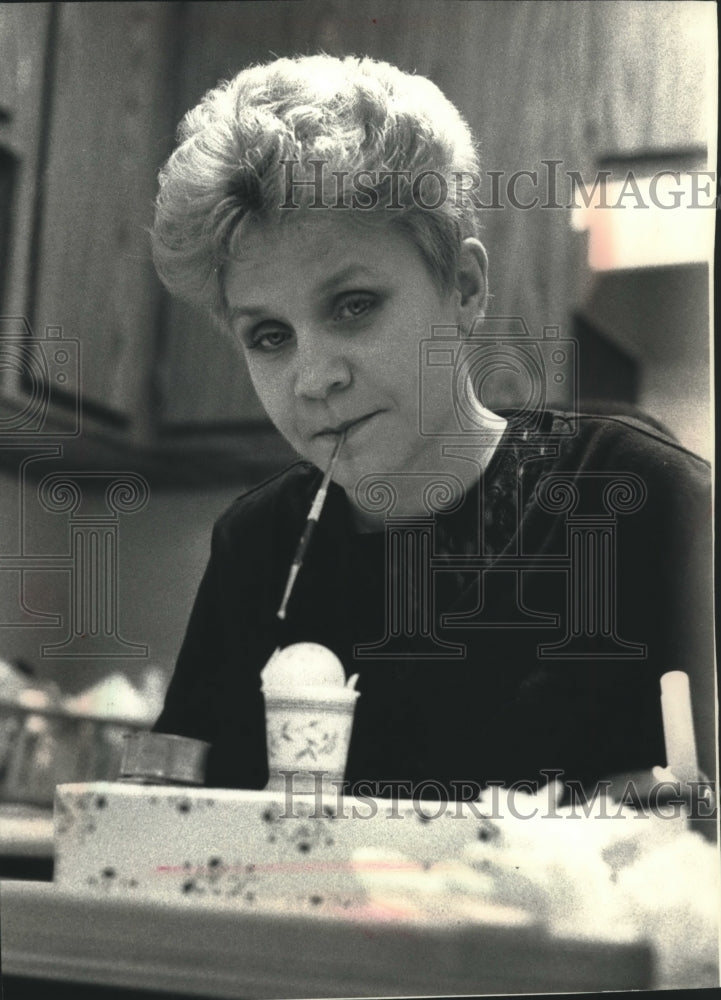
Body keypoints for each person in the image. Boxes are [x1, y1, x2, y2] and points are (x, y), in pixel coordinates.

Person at [151, 54, 714, 803]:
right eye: (269, 336)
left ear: (464, 289)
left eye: (353, 305)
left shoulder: (635, 497)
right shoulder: (256, 545)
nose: (314, 377)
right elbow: (183, 817)